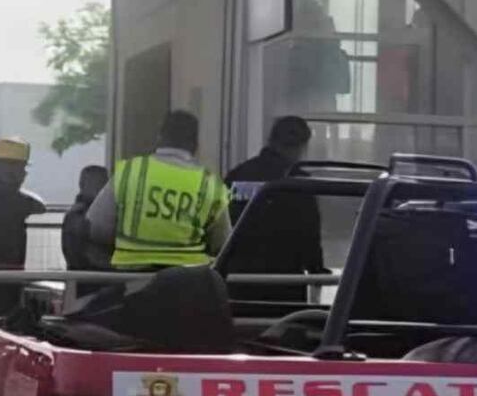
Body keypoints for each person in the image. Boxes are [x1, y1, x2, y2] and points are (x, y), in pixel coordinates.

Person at [87, 111, 230, 270]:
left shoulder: (129, 171)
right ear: (195, 144)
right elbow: (222, 243)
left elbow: (95, 227)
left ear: (160, 138)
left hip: (132, 277)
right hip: (187, 278)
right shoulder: (211, 184)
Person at [224, 116, 327, 301]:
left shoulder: (238, 175)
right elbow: (310, 234)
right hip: (285, 284)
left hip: (240, 282)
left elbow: (223, 224)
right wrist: (316, 272)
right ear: (301, 147)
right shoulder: (299, 182)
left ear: (271, 140)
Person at [0, 136, 47, 316]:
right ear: (9, 168)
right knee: (2, 319)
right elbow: (39, 206)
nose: (24, 174)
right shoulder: (6, 197)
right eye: (22, 168)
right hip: (1, 274)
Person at [61, 165, 110, 272]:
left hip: (84, 275)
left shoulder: (75, 214)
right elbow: (82, 256)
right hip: (92, 276)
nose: (106, 189)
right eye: (100, 183)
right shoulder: (79, 216)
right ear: (83, 185)